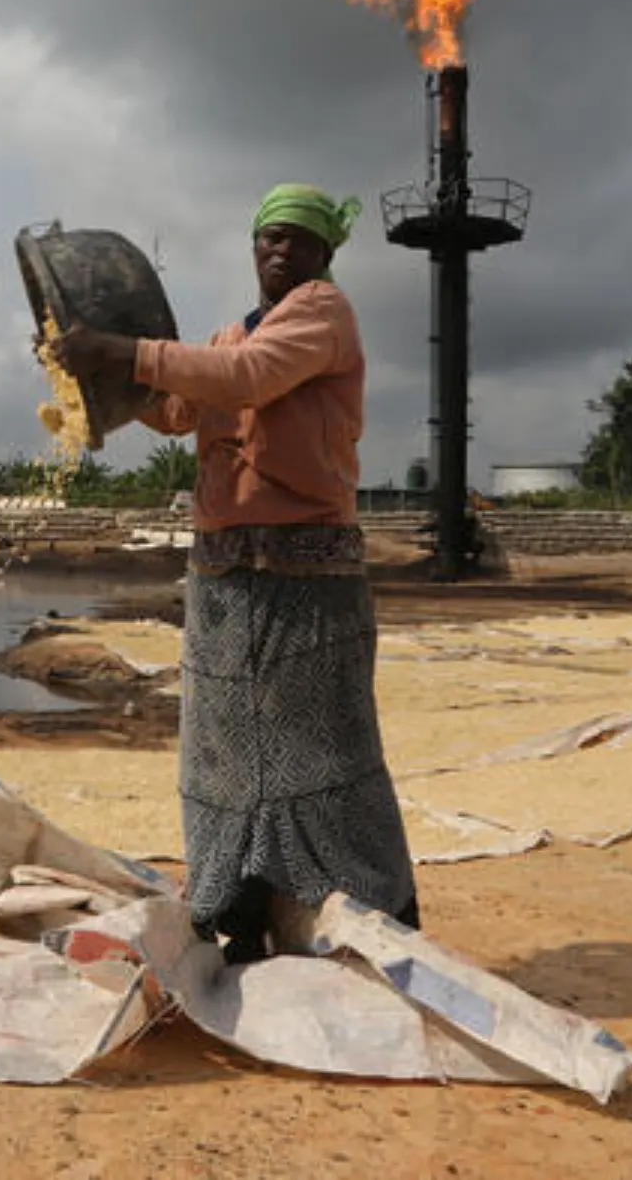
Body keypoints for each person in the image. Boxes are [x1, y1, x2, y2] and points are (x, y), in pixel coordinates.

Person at [55, 183, 417, 964]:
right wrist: (97, 376)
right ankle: (238, 911)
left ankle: (371, 916)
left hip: (305, 579)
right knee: (223, 755)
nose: (280, 250)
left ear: (324, 254)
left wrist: (121, 351)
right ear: (253, 247)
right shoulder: (228, 334)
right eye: (269, 238)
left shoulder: (323, 313)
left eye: (298, 239)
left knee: (321, 752)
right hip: (224, 574)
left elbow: (248, 378)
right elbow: (180, 407)